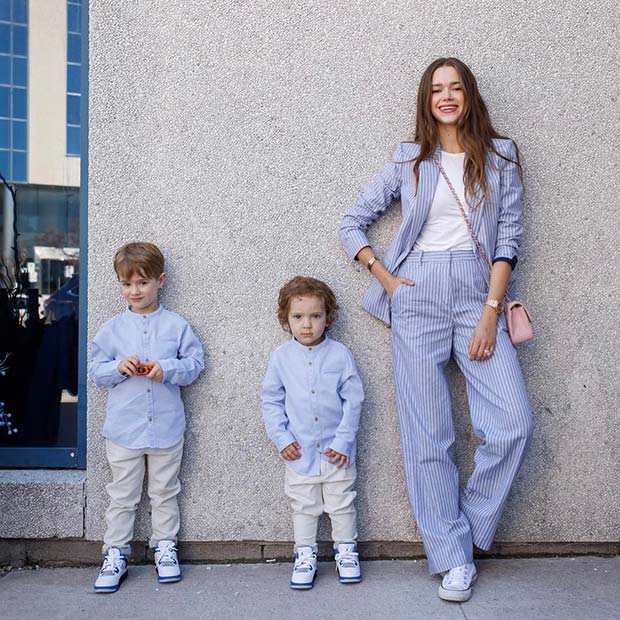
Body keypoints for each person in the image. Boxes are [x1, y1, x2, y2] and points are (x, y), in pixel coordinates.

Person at [340, 57, 535, 602]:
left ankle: (464, 533)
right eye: (436, 89)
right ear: (427, 100)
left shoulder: (500, 156)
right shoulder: (410, 159)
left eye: (455, 88)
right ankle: (451, 558)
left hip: (479, 294)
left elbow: (508, 240)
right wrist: (387, 277)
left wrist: (491, 311)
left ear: (469, 95)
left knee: (513, 424)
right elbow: (351, 222)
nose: (446, 97)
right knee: (428, 433)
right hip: (418, 292)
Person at [89, 242, 204, 592]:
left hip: (167, 429)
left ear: (160, 281)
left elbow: (195, 364)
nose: (134, 291)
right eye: (127, 284)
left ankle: (165, 546)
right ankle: (116, 552)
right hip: (124, 429)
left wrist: (165, 369)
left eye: (142, 282)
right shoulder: (112, 329)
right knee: (122, 494)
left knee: (165, 492)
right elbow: (95, 370)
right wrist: (117, 368)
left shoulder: (176, 325)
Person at [261, 276, 364, 589]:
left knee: (342, 503)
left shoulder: (340, 355)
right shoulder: (281, 358)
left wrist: (344, 441)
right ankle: (305, 555)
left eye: (315, 316)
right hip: (300, 451)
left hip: (337, 452)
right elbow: (271, 401)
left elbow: (354, 399)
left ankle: (346, 552)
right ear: (286, 319)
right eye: (298, 317)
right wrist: (282, 439)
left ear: (327, 318)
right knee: (303, 505)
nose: (307, 324)